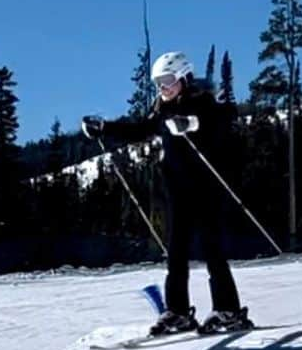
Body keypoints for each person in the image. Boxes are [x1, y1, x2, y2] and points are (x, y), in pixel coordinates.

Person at [81, 51, 253, 335]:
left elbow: (220, 119)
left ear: (184, 78)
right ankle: (178, 311)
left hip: (205, 186)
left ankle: (228, 310)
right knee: (176, 251)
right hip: (178, 189)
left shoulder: (201, 102)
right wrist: (105, 128)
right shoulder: (161, 109)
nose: (163, 87)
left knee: (212, 248)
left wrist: (191, 124)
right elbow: (139, 130)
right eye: (158, 82)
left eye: (168, 80)